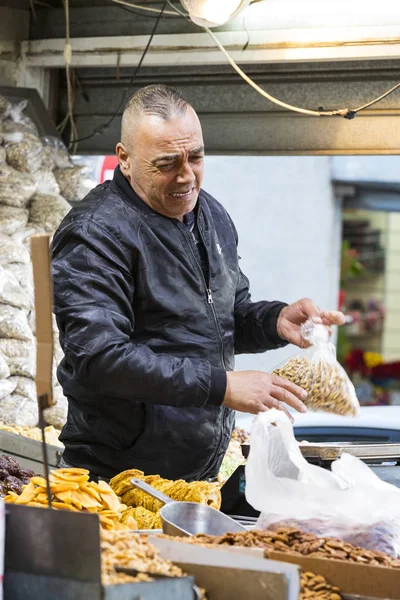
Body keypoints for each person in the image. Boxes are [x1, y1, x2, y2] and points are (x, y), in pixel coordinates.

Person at [52, 84, 344, 482]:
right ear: (124, 159)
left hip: (198, 473)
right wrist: (221, 385)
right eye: (167, 162)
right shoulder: (95, 235)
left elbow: (222, 319)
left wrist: (275, 321)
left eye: (196, 157)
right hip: (117, 475)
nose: (186, 176)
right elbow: (100, 359)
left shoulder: (210, 215)